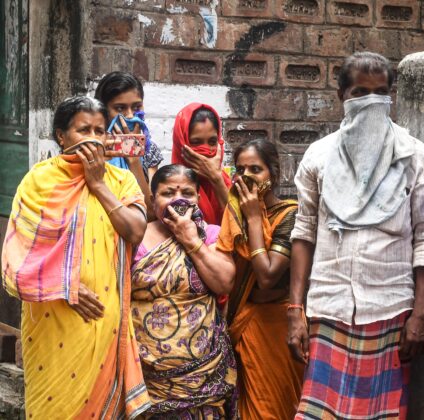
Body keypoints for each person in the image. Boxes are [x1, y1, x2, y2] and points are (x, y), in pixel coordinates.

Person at [288, 51, 424, 419]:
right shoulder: (319, 156)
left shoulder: (414, 156)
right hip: (328, 307)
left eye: (380, 91)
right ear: (342, 96)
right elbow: (304, 232)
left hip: (390, 310)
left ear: (392, 96)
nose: (371, 100)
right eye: (360, 92)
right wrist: (295, 309)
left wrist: (421, 313)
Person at [1, 96, 150, 418]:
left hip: (103, 319)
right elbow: (17, 256)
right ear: (61, 136)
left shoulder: (120, 181)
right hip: (53, 318)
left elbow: (136, 231)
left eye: (99, 130)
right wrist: (64, 285)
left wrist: (97, 183)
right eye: (84, 130)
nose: (94, 138)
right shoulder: (39, 181)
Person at [131, 164, 238, 418]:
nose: (178, 199)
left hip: (204, 374)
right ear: (152, 199)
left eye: (187, 193)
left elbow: (224, 283)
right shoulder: (136, 238)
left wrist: (191, 240)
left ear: (198, 198)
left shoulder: (211, 235)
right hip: (149, 376)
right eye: (168, 193)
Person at [216, 139, 304, 419]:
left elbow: (266, 275)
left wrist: (255, 219)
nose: (247, 177)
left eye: (256, 168)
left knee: (277, 408)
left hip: (278, 326)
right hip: (245, 323)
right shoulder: (234, 214)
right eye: (241, 169)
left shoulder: (290, 214)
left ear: (273, 174)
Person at [95, 71, 164, 219]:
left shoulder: (149, 150)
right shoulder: (92, 149)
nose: (131, 115)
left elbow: (150, 213)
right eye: (120, 108)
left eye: (137, 107)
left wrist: (133, 159)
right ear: (103, 111)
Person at [172, 103, 231, 225]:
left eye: (212, 141)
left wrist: (216, 179)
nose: (206, 149)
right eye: (196, 142)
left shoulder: (225, 181)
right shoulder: (171, 187)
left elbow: (239, 225)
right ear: (181, 143)